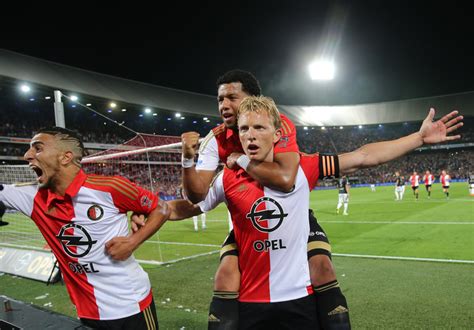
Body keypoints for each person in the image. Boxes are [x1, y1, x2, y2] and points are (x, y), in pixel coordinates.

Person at [168, 96, 463, 329]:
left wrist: (418, 139)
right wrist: (155, 211)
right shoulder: (227, 178)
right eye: (244, 129)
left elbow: (363, 157)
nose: (251, 136)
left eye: (259, 127)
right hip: (249, 303)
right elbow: (190, 205)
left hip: (301, 302)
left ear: (277, 132)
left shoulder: (303, 166)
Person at [179, 70, 350, 329]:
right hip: (245, 218)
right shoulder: (215, 139)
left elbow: (285, 178)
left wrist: (242, 159)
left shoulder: (281, 124)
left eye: (232, 98)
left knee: (322, 265)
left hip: (291, 214)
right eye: (220, 100)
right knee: (225, 275)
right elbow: (197, 195)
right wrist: (187, 161)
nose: (224, 105)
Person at [0, 127, 170, 329]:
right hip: (87, 310)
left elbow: (162, 207)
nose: (27, 155)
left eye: (37, 148)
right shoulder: (30, 197)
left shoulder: (109, 188)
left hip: (132, 303)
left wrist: (133, 241)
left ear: (65, 157)